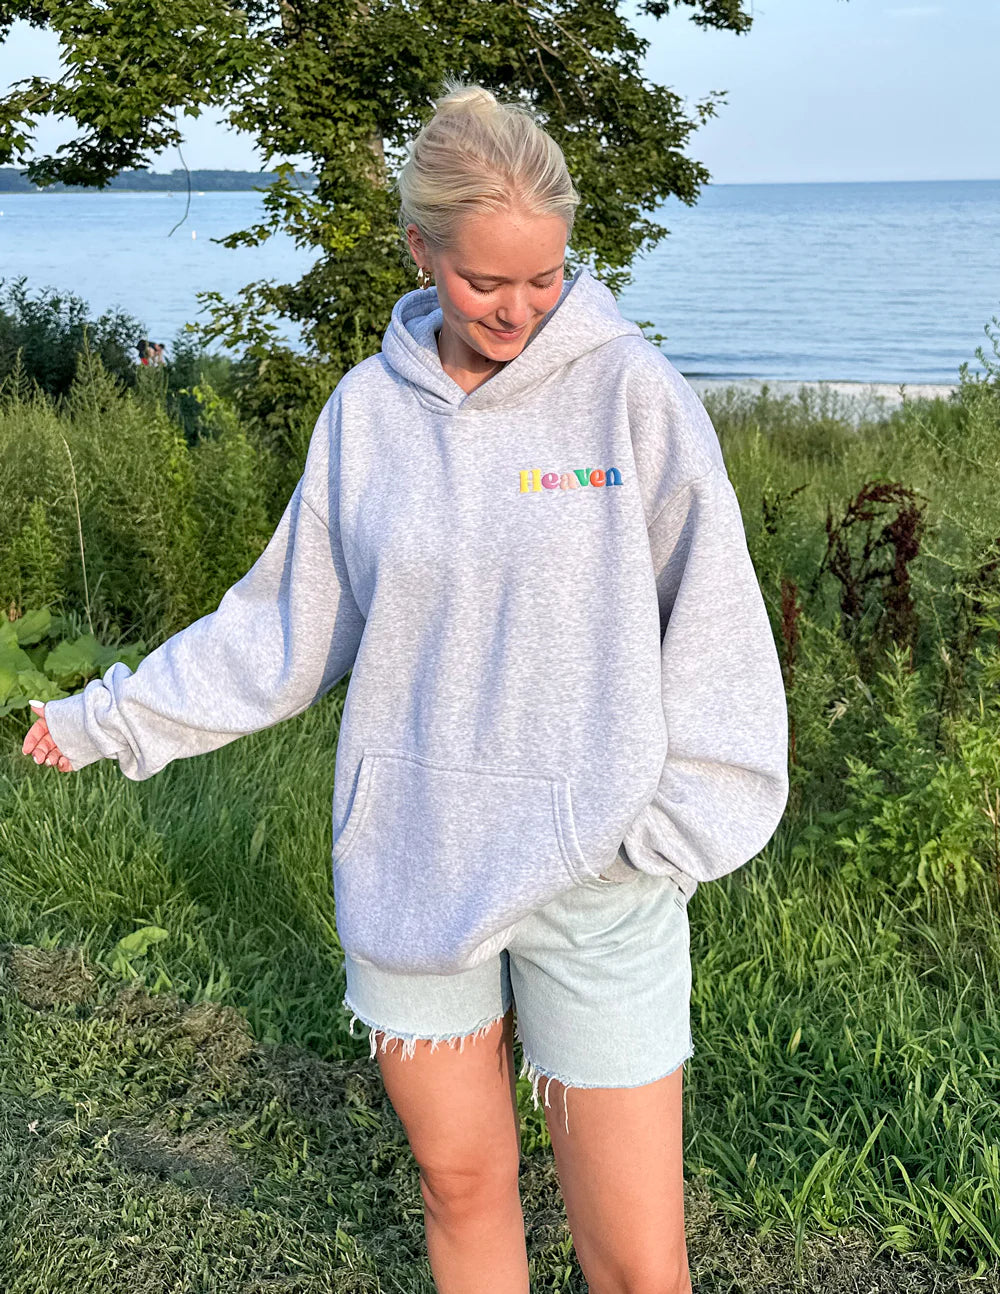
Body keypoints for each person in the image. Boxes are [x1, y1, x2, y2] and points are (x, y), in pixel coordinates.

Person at [22, 77, 789, 1294]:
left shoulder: (630, 394)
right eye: (486, 280)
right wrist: (106, 719)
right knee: (460, 1185)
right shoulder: (366, 416)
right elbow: (278, 629)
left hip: (600, 876)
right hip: (415, 858)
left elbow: (716, 625)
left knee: (640, 1261)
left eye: (545, 278)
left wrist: (664, 832)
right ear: (421, 249)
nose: (519, 309)